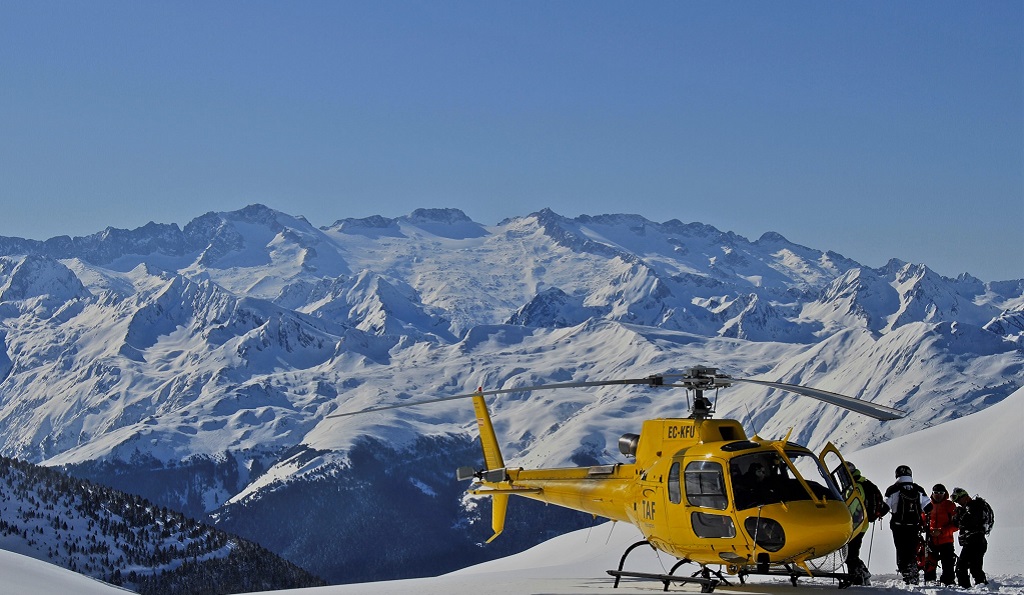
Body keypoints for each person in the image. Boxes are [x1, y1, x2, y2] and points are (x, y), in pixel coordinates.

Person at [884, 464, 932, 584]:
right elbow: (929, 507)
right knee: (911, 550)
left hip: (898, 526)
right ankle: (912, 571)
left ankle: (906, 570)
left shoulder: (893, 489)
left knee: (901, 549)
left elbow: (885, 507)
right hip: (914, 526)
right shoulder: (919, 489)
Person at [844, 463, 884, 585]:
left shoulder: (854, 486)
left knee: (850, 554)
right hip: (862, 524)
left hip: (855, 525)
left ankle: (858, 578)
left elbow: (851, 506)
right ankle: (862, 574)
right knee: (852, 553)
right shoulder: (863, 482)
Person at [951, 487, 992, 588]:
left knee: (961, 567)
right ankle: (981, 586)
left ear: (964, 497)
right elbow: (958, 523)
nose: (958, 503)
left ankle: (965, 588)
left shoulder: (974, 507)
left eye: (958, 500)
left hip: (974, 541)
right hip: (975, 541)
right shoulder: (969, 508)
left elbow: (968, 522)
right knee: (975, 567)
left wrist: (959, 515)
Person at [924, 484, 957, 585]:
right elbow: (923, 521)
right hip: (931, 540)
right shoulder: (927, 505)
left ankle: (948, 583)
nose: (938, 495)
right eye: (936, 493)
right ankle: (930, 582)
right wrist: (930, 531)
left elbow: (956, 525)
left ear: (945, 493)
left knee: (948, 564)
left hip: (946, 541)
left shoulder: (950, 505)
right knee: (929, 563)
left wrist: (941, 531)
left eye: (941, 493)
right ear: (932, 493)